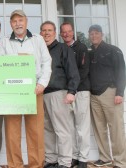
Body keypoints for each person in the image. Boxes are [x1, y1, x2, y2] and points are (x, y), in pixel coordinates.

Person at [0, 10, 52, 168]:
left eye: (20, 20)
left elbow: (46, 63)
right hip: (12, 93)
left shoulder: (37, 40)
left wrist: (42, 84)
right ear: (11, 24)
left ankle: (36, 164)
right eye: (14, 21)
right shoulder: (4, 42)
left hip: (35, 91)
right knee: (12, 132)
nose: (18, 23)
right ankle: (15, 165)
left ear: (26, 22)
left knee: (36, 131)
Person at [40, 21, 80, 168]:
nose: (46, 33)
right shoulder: (40, 50)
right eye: (44, 30)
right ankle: (51, 160)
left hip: (59, 93)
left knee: (62, 130)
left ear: (55, 32)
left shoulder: (63, 48)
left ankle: (64, 163)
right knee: (47, 129)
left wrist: (71, 92)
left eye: (49, 30)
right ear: (40, 33)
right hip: (42, 94)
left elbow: (73, 72)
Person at [88, 24, 126, 168]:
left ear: (102, 34)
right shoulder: (90, 53)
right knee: (99, 129)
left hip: (111, 93)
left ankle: (120, 162)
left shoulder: (113, 50)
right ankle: (105, 159)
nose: (94, 36)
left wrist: (119, 93)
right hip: (94, 95)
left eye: (96, 33)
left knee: (115, 129)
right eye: (91, 33)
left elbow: (121, 72)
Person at [60, 22, 90, 168]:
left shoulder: (81, 48)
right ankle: (73, 157)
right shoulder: (61, 48)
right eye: (63, 32)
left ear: (73, 32)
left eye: (69, 31)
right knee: (70, 127)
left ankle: (83, 158)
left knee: (82, 127)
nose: (66, 34)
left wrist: (74, 89)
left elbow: (83, 71)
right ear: (60, 34)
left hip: (81, 91)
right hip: (66, 92)